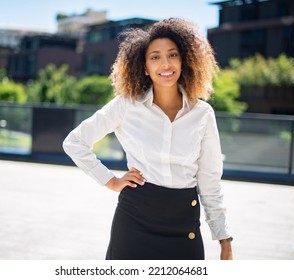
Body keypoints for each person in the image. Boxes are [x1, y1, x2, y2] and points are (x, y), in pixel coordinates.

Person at [63, 18, 233, 260]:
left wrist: (224, 239)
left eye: (172, 55)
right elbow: (74, 142)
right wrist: (110, 181)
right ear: (144, 67)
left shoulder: (202, 114)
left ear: (184, 60)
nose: (165, 63)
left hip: (183, 223)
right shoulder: (126, 105)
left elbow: (210, 181)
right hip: (134, 221)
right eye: (155, 57)